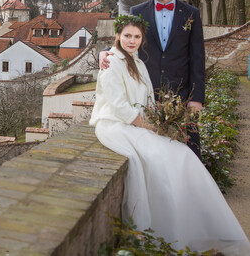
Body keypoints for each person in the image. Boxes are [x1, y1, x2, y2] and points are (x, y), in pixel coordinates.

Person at [90, 15, 250, 254]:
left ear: (142, 39)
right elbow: (119, 107)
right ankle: (170, 231)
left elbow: (147, 102)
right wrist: (152, 127)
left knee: (183, 155)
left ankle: (202, 228)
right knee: (166, 157)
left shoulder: (138, 63)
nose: (132, 41)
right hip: (114, 125)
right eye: (127, 36)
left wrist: (159, 122)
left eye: (136, 36)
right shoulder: (111, 61)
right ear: (118, 36)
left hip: (137, 124)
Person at [100, 0, 205, 158]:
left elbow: (198, 58)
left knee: (190, 154)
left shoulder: (191, 14)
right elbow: (127, 42)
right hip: (147, 96)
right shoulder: (138, 12)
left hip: (181, 97)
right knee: (154, 155)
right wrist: (104, 52)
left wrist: (196, 98)